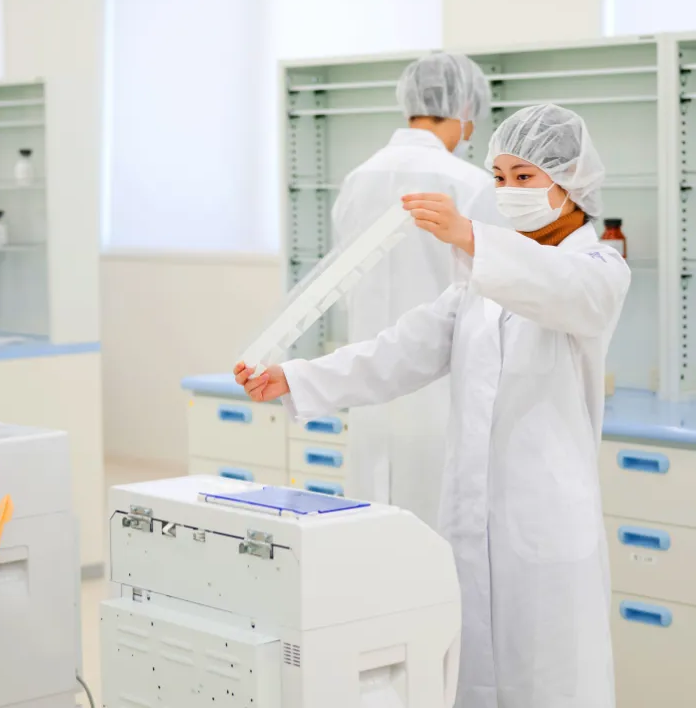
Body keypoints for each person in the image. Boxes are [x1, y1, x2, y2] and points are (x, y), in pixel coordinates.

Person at [236, 104, 628, 708]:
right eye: (499, 177)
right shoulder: (478, 282)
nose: (508, 190)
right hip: (470, 521)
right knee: (464, 677)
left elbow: (563, 291)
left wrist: (472, 235)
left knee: (551, 683)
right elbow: (399, 352)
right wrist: (294, 377)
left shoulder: (599, 269)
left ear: (570, 179)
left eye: (524, 176)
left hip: (545, 530)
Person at [329, 53, 505, 528]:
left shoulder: (357, 181)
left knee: (371, 536)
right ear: (465, 107)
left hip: (368, 386)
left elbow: (345, 285)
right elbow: (496, 294)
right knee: (438, 543)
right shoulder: (469, 184)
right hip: (441, 395)